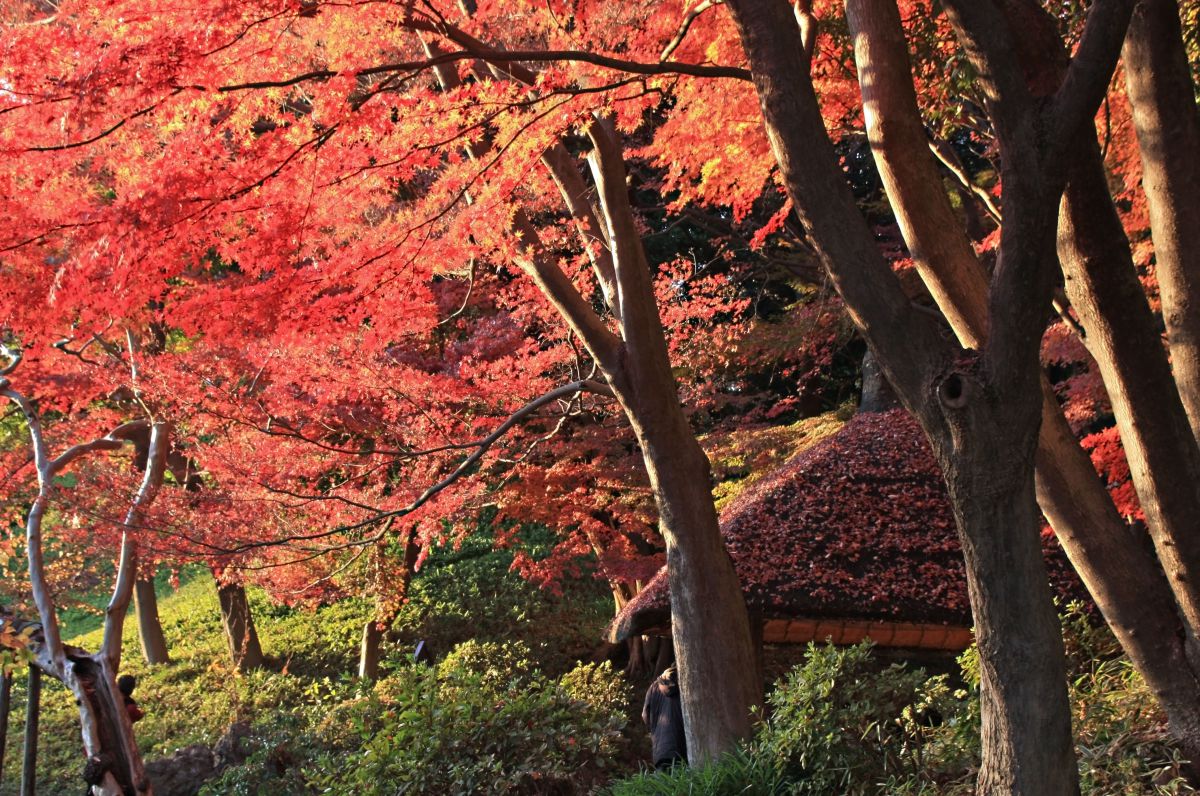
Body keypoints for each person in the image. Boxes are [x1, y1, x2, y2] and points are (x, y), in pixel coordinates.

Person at [642, 664, 687, 771]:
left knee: (663, 785)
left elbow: (645, 716)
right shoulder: (686, 685)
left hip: (660, 749)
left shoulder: (654, 686)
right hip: (682, 746)